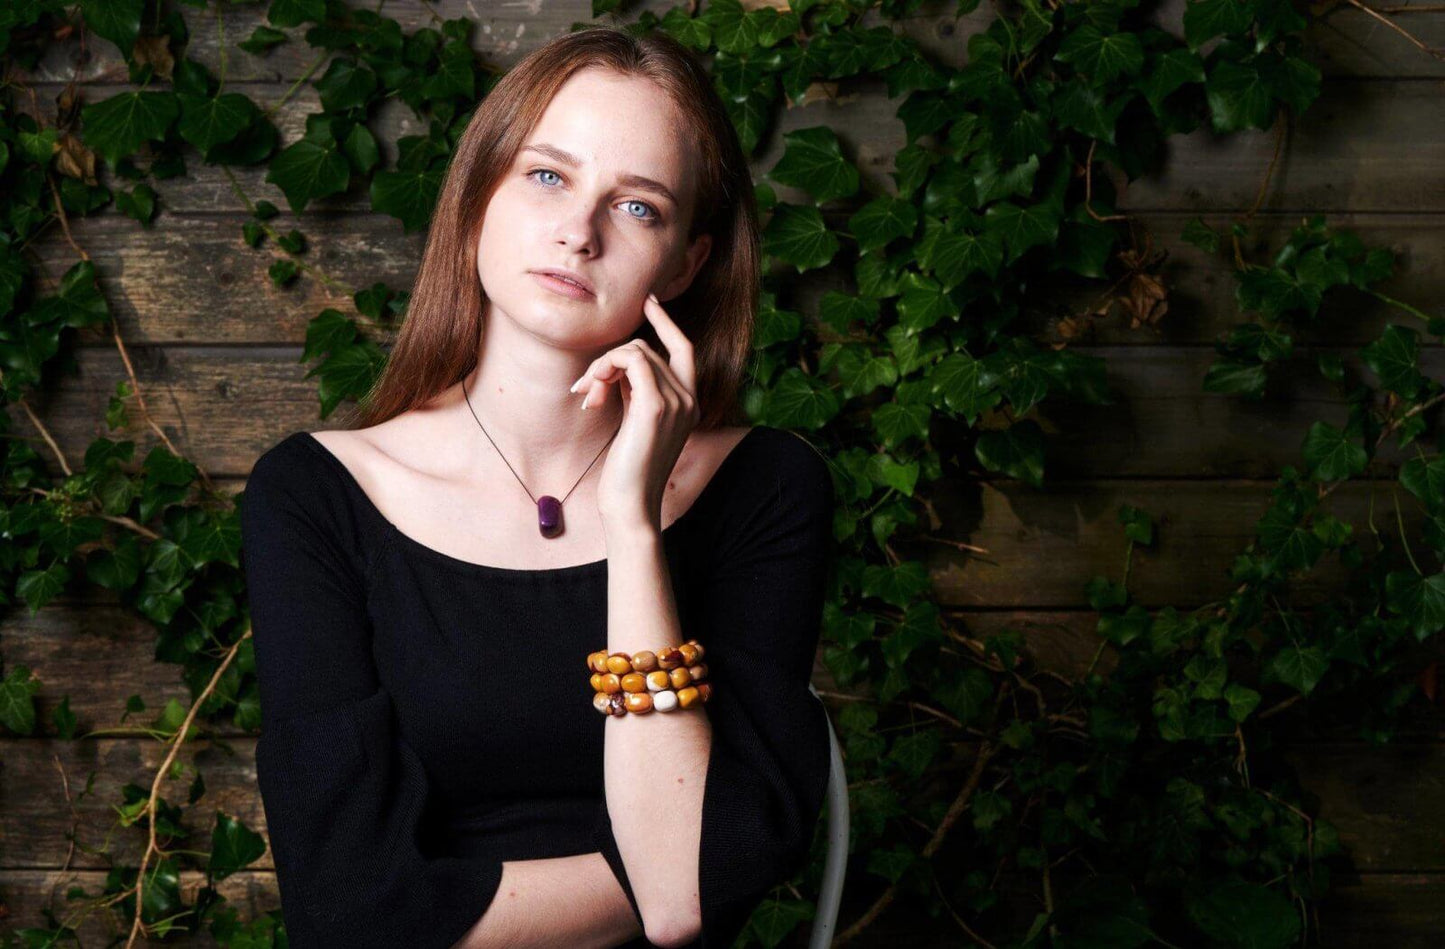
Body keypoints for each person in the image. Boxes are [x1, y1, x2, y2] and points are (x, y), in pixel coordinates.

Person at [239, 26, 836, 949]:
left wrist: (632, 523)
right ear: (479, 196)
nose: (578, 231)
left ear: (685, 262)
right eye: (548, 175)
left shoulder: (765, 487)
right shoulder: (317, 494)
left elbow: (684, 902)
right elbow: (346, 909)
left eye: (636, 206)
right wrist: (681, 866)